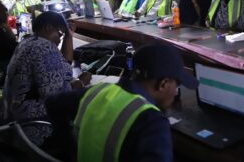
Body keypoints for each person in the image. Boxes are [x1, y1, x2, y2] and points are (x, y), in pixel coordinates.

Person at [45, 43, 198, 162]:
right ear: (163, 84)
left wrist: (68, 147)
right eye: (176, 85)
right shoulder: (152, 122)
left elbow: (52, 102)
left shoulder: (98, 91)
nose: (176, 92)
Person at [1, 11, 91, 147]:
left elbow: (64, 67)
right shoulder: (44, 48)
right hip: (34, 127)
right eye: (60, 33)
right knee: (89, 105)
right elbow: (59, 97)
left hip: (14, 119)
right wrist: (81, 82)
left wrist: (68, 36)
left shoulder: (28, 41)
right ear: (48, 28)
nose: (60, 39)